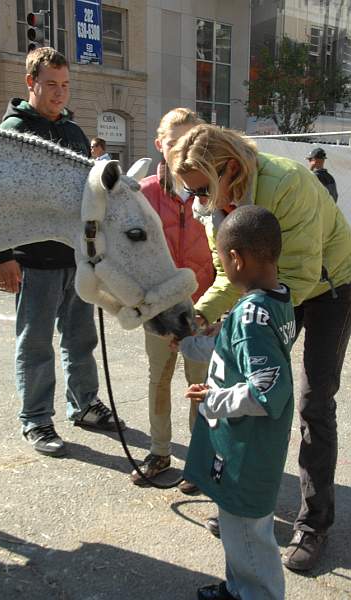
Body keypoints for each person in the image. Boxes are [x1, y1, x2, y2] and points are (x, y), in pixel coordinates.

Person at [168, 124, 351, 572]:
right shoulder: (212, 202)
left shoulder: (288, 182)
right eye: (190, 192)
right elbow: (225, 269)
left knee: (311, 403)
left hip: (329, 287)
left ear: (230, 168)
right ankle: (245, 504)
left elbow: (303, 276)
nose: (198, 201)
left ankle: (314, 523)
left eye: (202, 189)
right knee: (244, 389)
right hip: (274, 287)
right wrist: (203, 315)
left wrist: (246, 319)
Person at [0, 47, 125, 458]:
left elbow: (84, 196)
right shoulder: (13, 129)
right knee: (35, 343)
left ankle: (84, 404)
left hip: (74, 257)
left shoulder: (72, 133)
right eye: (51, 84)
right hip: (31, 259)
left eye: (65, 85)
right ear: (30, 83)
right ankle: (35, 418)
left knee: (80, 338)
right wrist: (3, 256)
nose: (59, 93)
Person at [181, 205, 294, 600]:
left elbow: (267, 392)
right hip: (251, 444)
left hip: (248, 446)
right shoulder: (276, 299)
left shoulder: (251, 314)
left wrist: (214, 398)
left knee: (247, 532)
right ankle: (237, 588)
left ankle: (257, 594)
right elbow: (240, 349)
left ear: (235, 258)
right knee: (236, 526)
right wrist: (195, 339)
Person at [130, 108, 215, 491]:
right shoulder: (141, 193)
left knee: (201, 382)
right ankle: (159, 450)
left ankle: (199, 459)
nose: (182, 149)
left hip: (204, 305)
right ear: (158, 144)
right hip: (159, 309)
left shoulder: (213, 189)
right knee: (159, 379)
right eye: (173, 141)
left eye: (190, 140)